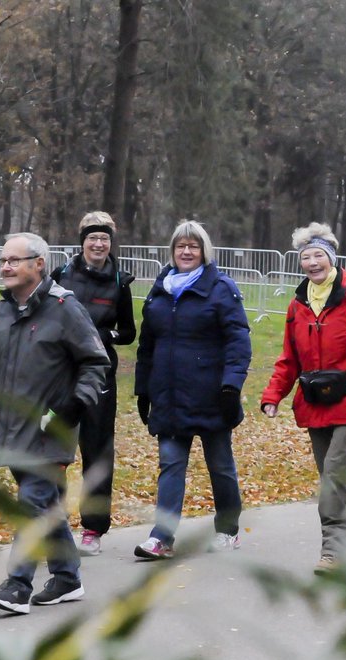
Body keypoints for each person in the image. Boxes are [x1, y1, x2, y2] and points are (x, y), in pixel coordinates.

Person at [0, 232, 109, 615]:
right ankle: (67, 578)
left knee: (31, 504)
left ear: (39, 264)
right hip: (12, 430)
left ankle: (18, 585)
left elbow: (95, 362)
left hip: (50, 428)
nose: (5, 267)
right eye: (3, 260)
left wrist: (75, 405)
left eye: (14, 260)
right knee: (45, 505)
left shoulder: (64, 308)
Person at [260, 223, 346, 574]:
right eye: (305, 257)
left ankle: (332, 552)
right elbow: (289, 358)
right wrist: (273, 394)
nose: (311, 263)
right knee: (332, 479)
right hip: (315, 404)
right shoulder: (297, 305)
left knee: (333, 478)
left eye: (318, 255)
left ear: (331, 259)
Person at [134, 220, 252, 560]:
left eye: (193, 246)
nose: (186, 252)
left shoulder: (220, 289)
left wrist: (231, 386)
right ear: (172, 251)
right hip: (169, 396)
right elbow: (147, 345)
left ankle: (228, 530)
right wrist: (144, 389)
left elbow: (237, 341)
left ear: (204, 252)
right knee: (170, 465)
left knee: (220, 466)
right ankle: (162, 537)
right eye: (180, 246)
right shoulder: (160, 290)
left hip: (212, 395)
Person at [50, 211, 136, 556]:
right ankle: (51, 524)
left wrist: (103, 335)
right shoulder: (61, 275)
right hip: (61, 374)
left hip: (100, 375)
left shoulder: (120, 281)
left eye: (104, 239)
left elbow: (129, 332)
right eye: (92, 238)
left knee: (97, 450)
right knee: (52, 448)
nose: (98, 244)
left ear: (110, 243)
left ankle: (93, 528)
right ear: (82, 241)